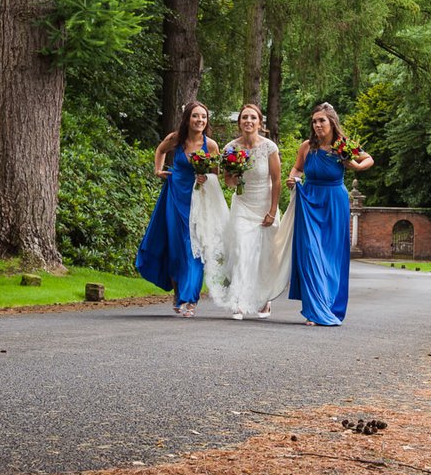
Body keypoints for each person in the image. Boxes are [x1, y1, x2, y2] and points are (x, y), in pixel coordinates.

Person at [286, 102, 374, 326]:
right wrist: (292, 178)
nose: (317, 125)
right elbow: (297, 169)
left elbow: (369, 159)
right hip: (310, 201)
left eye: (321, 120)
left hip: (335, 202)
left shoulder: (342, 146)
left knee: (332, 257)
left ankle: (325, 305)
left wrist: (354, 166)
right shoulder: (306, 147)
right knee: (310, 252)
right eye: (314, 121)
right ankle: (314, 308)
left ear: (332, 122)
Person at [135, 101, 223, 317]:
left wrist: (206, 177)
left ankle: (191, 298)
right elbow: (160, 150)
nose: (200, 120)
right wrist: (158, 170)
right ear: (187, 119)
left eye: (203, 116)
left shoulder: (210, 145)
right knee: (176, 246)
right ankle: (177, 293)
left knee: (193, 247)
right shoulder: (175, 139)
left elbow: (216, 174)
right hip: (174, 196)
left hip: (197, 200)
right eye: (195, 116)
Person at [206, 103, 293, 319]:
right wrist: (233, 179)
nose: (248, 121)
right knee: (241, 251)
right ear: (239, 123)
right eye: (244, 117)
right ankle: (239, 301)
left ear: (259, 123)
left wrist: (273, 210)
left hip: (265, 203)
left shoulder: (269, 147)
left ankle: (264, 300)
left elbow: (277, 180)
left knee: (265, 255)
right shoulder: (230, 148)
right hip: (242, 204)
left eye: (253, 118)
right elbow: (227, 181)